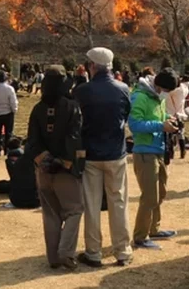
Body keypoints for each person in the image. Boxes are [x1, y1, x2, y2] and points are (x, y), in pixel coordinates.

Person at [73, 47, 133, 268]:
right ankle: (123, 251)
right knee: (118, 203)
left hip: (91, 154)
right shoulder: (123, 88)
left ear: (92, 66)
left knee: (92, 204)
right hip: (116, 153)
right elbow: (125, 115)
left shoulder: (82, 91)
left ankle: (93, 251)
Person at [25, 67, 85, 271]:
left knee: (50, 214)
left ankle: (53, 257)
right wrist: (67, 162)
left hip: (43, 169)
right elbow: (74, 137)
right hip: (64, 170)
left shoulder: (37, 109)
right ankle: (66, 252)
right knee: (75, 210)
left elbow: (31, 141)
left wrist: (44, 160)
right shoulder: (72, 106)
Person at [128, 68, 180, 250]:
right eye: (167, 90)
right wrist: (161, 125)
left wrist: (169, 119)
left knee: (161, 192)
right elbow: (134, 124)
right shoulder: (140, 97)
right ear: (159, 85)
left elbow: (159, 117)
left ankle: (154, 229)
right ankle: (140, 237)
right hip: (144, 151)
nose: (167, 93)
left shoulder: (158, 97)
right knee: (149, 196)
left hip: (158, 150)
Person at [161, 69, 189, 161]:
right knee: (181, 133)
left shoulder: (169, 91)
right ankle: (183, 151)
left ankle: (171, 153)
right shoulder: (183, 89)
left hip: (169, 112)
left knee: (170, 133)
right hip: (179, 112)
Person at [0, 71, 18, 157]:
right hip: (8, 112)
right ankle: (7, 150)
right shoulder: (9, 88)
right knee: (8, 133)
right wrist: (14, 110)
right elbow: (13, 101)